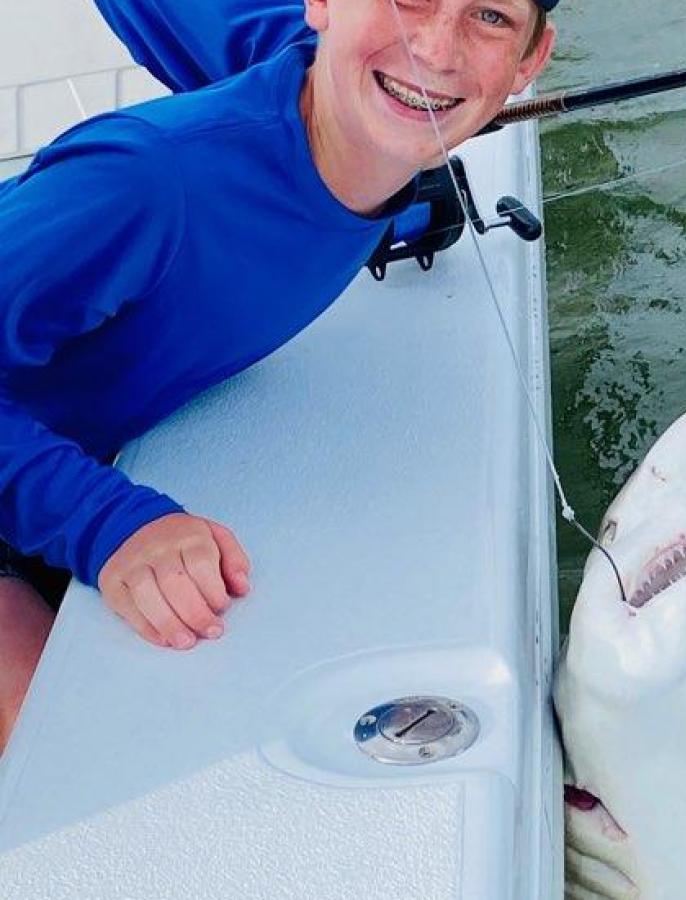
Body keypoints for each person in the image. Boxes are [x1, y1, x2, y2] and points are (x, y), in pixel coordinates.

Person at [0, 0, 557, 753]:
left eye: (488, 16)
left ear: (531, 58)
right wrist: (105, 522)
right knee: (63, 751)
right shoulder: (147, 183)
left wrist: (401, 204)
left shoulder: (344, 105)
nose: (433, 48)